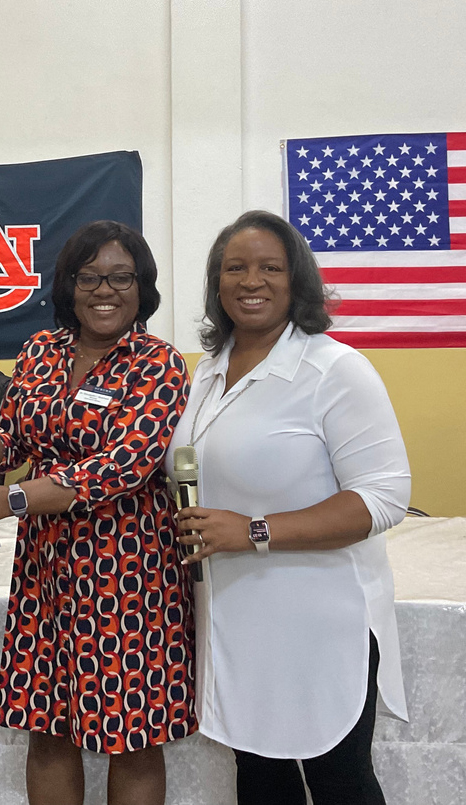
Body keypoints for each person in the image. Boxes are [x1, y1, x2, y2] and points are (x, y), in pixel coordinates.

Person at [0, 220, 197, 805]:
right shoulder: (39, 351)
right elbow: (17, 443)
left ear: (142, 286)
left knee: (133, 734)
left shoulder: (159, 364)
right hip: (46, 568)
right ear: (68, 286)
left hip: (130, 572)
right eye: (90, 276)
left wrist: (7, 500)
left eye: (121, 277)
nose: (106, 290)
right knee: (47, 724)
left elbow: (121, 466)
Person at [167, 210, 411, 804]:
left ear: (296, 280)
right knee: (260, 781)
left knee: (338, 783)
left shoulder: (336, 370)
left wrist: (252, 531)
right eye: (236, 268)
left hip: (319, 618)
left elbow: (384, 497)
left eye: (270, 267)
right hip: (234, 613)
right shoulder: (206, 371)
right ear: (217, 284)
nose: (252, 281)